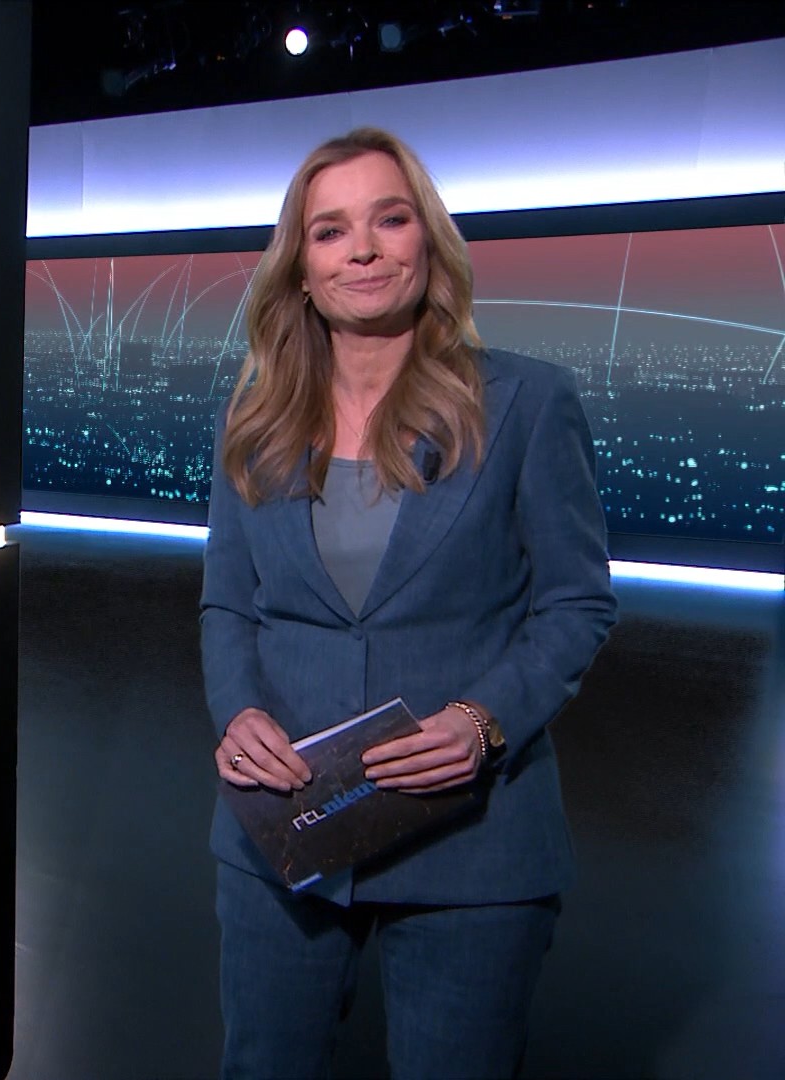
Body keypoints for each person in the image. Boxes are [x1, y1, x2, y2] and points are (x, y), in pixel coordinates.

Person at [199, 127, 617, 1079]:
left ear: (428, 241)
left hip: (471, 839)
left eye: (389, 220)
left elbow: (576, 604)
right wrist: (238, 712)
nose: (363, 249)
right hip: (287, 824)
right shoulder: (253, 419)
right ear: (300, 269)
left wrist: (484, 720)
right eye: (330, 230)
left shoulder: (528, 403)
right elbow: (226, 604)